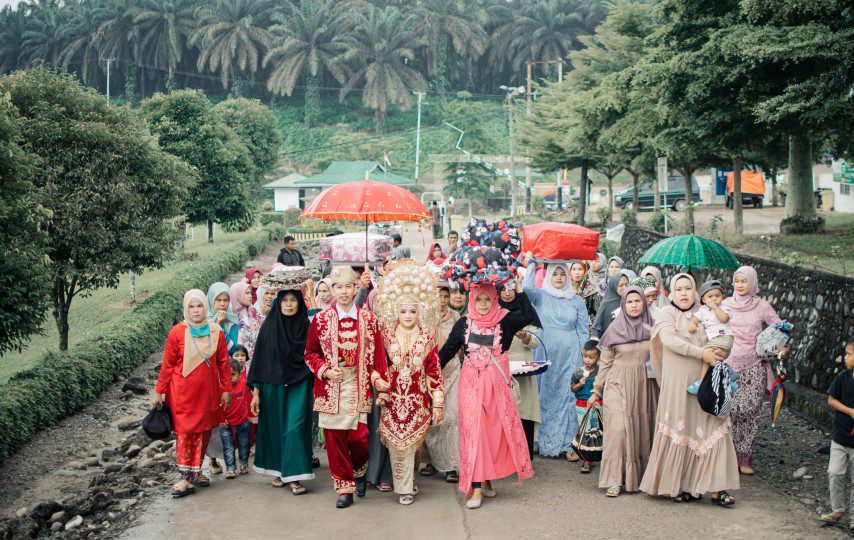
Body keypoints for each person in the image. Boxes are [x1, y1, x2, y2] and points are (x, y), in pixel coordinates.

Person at [639, 273, 738, 506]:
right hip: (677, 382)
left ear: (695, 291)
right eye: (679, 288)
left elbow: (722, 337)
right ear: (672, 291)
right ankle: (683, 485)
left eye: (688, 288)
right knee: (682, 428)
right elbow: (670, 341)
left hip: (706, 379)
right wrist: (701, 353)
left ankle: (717, 488)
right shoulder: (666, 313)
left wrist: (720, 352)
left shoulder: (707, 312)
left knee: (714, 426)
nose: (684, 293)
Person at [439, 282, 536, 509]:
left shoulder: (506, 320)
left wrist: (519, 288)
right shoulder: (464, 323)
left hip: (497, 388)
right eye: (478, 299)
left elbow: (528, 314)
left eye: (487, 299)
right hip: (471, 386)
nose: (483, 305)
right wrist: (422, 370)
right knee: (475, 433)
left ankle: (487, 480)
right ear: (472, 300)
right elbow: (446, 353)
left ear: (495, 300)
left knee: (493, 434)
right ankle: (475, 489)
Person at [304, 266, 389, 509]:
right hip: (331, 389)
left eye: (348, 287)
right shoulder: (320, 320)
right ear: (332, 289)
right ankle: (344, 487)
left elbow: (378, 358)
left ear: (356, 288)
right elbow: (310, 354)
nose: (343, 292)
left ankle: (360, 471)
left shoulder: (369, 319)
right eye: (338, 287)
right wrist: (326, 371)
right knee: (334, 440)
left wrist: (380, 383)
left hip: (358, 386)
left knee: (359, 440)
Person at [374, 261, 445, 505]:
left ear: (419, 312)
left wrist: (437, 403)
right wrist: (379, 382)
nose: (407, 316)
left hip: (417, 401)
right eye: (403, 311)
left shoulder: (427, 337)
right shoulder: (386, 335)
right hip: (392, 401)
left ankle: (409, 480)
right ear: (396, 311)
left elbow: (434, 371)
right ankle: (403, 487)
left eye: (412, 311)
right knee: (396, 447)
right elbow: (376, 365)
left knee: (412, 445)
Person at [153, 290, 231, 498]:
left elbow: (223, 364)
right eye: (191, 307)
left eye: (199, 306)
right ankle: (186, 478)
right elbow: (168, 365)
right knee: (184, 434)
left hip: (207, 393)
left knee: (203, 432)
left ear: (206, 308)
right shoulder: (177, 332)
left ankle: (193, 474)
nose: (196, 311)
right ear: (186, 309)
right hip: (181, 394)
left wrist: (226, 390)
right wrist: (160, 391)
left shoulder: (216, 332)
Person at [249, 279, 319, 495]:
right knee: (277, 429)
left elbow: (315, 353)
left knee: (295, 428)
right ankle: (281, 471)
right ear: (278, 303)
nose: (289, 304)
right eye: (285, 300)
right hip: (273, 387)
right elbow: (259, 361)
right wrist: (256, 394)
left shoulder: (306, 328)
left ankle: (295, 475)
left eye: (293, 300)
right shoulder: (269, 328)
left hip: (300, 383)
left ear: (299, 302)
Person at [588, 287, 658, 497]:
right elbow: (605, 363)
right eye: (630, 302)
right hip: (617, 384)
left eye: (638, 301)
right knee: (618, 430)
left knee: (642, 429)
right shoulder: (614, 330)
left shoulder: (653, 327)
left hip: (645, 386)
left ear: (644, 304)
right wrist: (596, 390)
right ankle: (614, 480)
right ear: (623, 305)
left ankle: (641, 478)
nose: (634, 305)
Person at [522, 257, 591, 461]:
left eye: (563, 274)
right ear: (549, 276)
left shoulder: (576, 300)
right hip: (545, 353)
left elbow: (583, 331)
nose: (559, 278)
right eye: (555, 274)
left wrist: (584, 359)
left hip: (571, 353)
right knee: (546, 395)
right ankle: (545, 442)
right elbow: (526, 287)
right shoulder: (542, 296)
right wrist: (533, 264)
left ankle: (568, 444)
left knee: (568, 397)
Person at [722, 266, 789, 475]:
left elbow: (781, 328)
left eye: (744, 281)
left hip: (754, 367)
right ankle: (726, 456)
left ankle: (744, 459)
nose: (740, 285)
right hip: (728, 365)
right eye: (737, 281)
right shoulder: (725, 305)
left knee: (750, 412)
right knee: (728, 411)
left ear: (752, 283)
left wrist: (783, 347)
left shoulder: (762, 306)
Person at [498, 280, 543, 462]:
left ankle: (523, 457)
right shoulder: (494, 313)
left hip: (524, 366)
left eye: (511, 289)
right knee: (504, 411)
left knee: (524, 410)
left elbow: (535, 342)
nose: (508, 293)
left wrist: (526, 337)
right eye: (503, 289)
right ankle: (504, 457)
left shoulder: (526, 311)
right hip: (501, 366)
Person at [425, 280, 462, 483]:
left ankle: (450, 465)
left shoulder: (456, 317)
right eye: (438, 296)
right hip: (431, 374)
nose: (442, 300)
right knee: (433, 417)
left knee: (452, 416)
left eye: (445, 296)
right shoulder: (424, 317)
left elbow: (460, 345)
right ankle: (431, 460)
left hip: (453, 370)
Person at [820, 338, 854, 527]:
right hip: (840, 436)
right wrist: (849, 411)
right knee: (834, 473)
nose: (845, 358)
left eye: (849, 354)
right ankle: (838, 510)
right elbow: (831, 400)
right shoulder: (842, 377)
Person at [687, 280, 735, 394]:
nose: (714, 299)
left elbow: (724, 318)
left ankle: (701, 382)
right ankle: (728, 380)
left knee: (708, 355)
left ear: (722, 297)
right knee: (709, 359)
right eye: (710, 296)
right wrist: (692, 323)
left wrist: (715, 308)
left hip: (724, 337)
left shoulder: (724, 307)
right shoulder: (703, 310)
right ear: (703, 299)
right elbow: (695, 318)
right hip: (714, 340)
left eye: (717, 296)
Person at [570, 341, 600, 474]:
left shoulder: (600, 372)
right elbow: (572, 389)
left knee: (598, 430)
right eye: (585, 356)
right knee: (585, 431)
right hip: (582, 406)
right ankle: (587, 460)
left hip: (598, 406)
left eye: (591, 357)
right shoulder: (577, 372)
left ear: (598, 358)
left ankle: (598, 454)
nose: (587, 360)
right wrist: (580, 384)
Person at [220, 359, 251, 479]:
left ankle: (243, 463)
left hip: (242, 421)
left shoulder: (244, 383)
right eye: (226, 375)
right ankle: (231, 468)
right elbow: (216, 406)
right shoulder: (221, 388)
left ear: (239, 373)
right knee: (228, 447)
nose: (229, 378)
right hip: (225, 424)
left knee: (244, 444)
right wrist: (220, 419)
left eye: (233, 374)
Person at [592, 269, 637, 339]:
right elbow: (597, 326)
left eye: (626, 284)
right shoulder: (606, 303)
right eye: (621, 285)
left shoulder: (631, 300)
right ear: (614, 286)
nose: (624, 287)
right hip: (610, 341)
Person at [239, 282, 276, 362]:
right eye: (266, 293)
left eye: (272, 293)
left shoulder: (280, 310)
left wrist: (271, 315)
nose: (269, 296)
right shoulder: (255, 309)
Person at [206, 283, 240, 353]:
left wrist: (220, 326)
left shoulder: (232, 322)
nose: (222, 304)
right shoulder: (202, 319)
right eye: (218, 300)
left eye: (226, 300)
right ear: (211, 300)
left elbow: (232, 350)